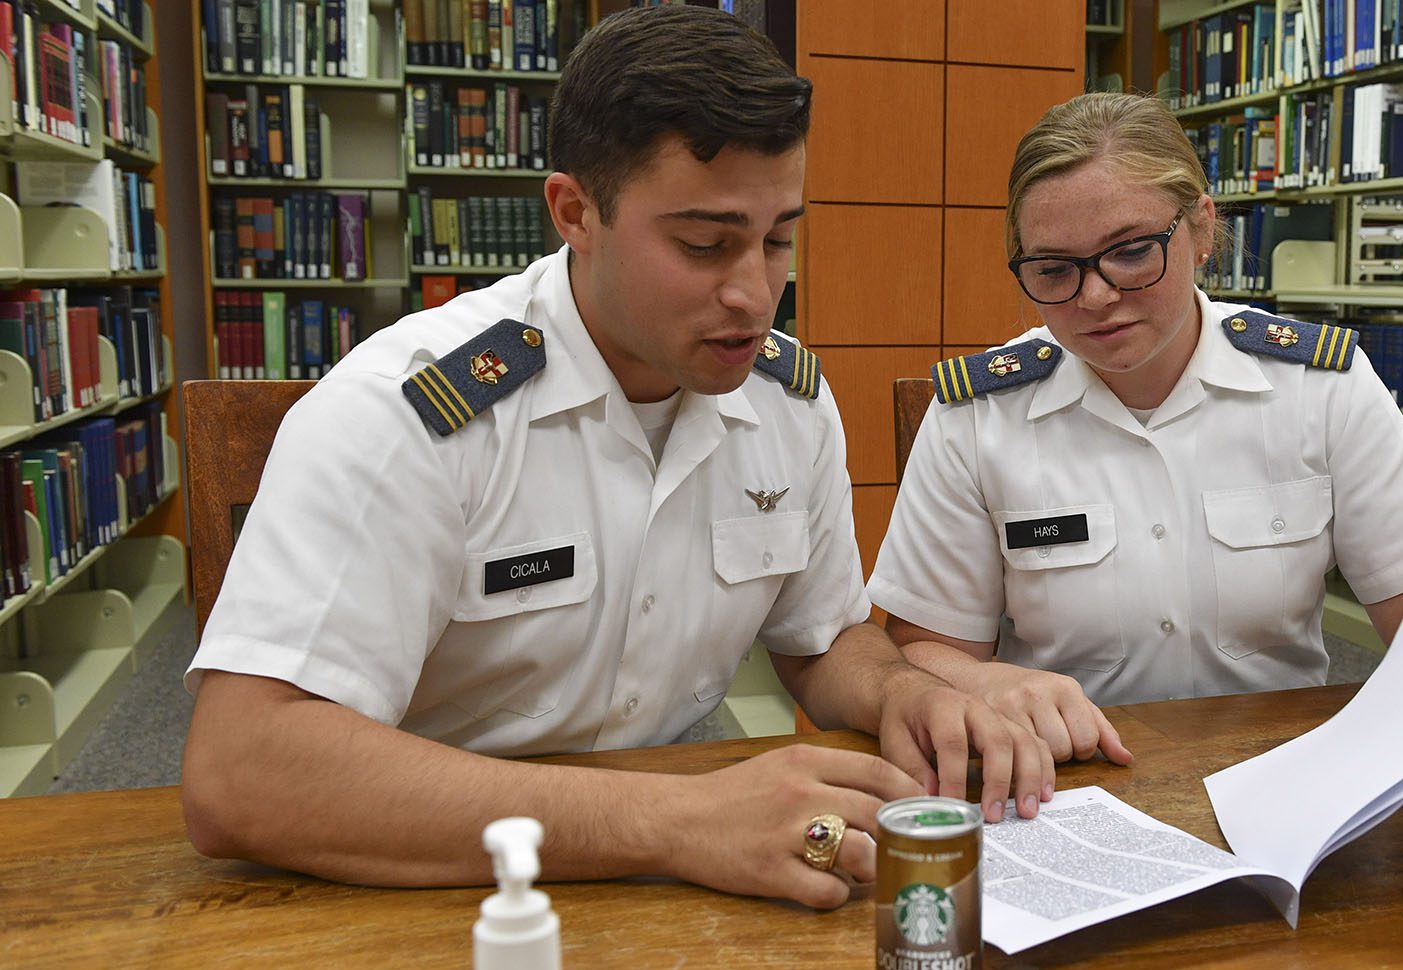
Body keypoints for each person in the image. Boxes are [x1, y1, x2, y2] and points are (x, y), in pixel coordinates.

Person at [180, 6, 1053, 910]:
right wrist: (671, 820)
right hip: (427, 888)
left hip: (681, 886)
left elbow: (821, 638)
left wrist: (897, 691)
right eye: (704, 244)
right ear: (575, 212)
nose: (756, 294)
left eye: (781, 237)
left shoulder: (787, 405)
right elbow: (242, 773)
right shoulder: (416, 412)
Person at [868, 93, 1403, 761]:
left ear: (1199, 230)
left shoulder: (1319, 386)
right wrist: (985, 682)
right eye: (1054, 270)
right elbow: (923, 652)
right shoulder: (979, 416)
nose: (1096, 296)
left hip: (1280, 775)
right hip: (1066, 779)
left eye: (1132, 252)